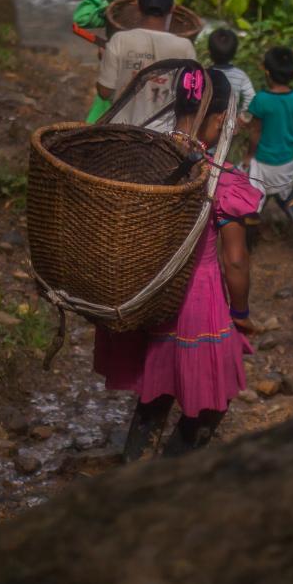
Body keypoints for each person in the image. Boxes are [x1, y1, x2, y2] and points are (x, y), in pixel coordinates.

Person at [94, 64, 261, 459]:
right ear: (220, 117)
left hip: (146, 291)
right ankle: (169, 479)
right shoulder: (221, 178)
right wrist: (240, 310)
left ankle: (133, 470)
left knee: (155, 393)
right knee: (208, 405)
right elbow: (235, 261)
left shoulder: (146, 159)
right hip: (195, 299)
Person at [97, 0, 197, 133]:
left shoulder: (120, 40)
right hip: (160, 140)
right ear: (172, 8)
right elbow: (190, 101)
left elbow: (104, 92)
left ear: (137, 6)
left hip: (118, 134)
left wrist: (105, 61)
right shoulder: (185, 48)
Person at [74, 0, 165, 123]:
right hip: (150, 98)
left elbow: (81, 18)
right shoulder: (165, 16)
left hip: (112, 92)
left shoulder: (117, 10)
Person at [245, 46, 293, 256]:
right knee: (288, 195)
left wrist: (249, 155)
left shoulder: (261, 100)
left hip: (263, 162)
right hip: (287, 163)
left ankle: (246, 245)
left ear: (266, 72)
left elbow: (255, 132)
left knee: (254, 198)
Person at [207, 26, 256, 137]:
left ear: (209, 51)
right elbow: (252, 98)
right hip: (228, 127)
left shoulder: (206, 74)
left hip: (206, 126)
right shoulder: (241, 76)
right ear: (234, 53)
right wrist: (240, 118)